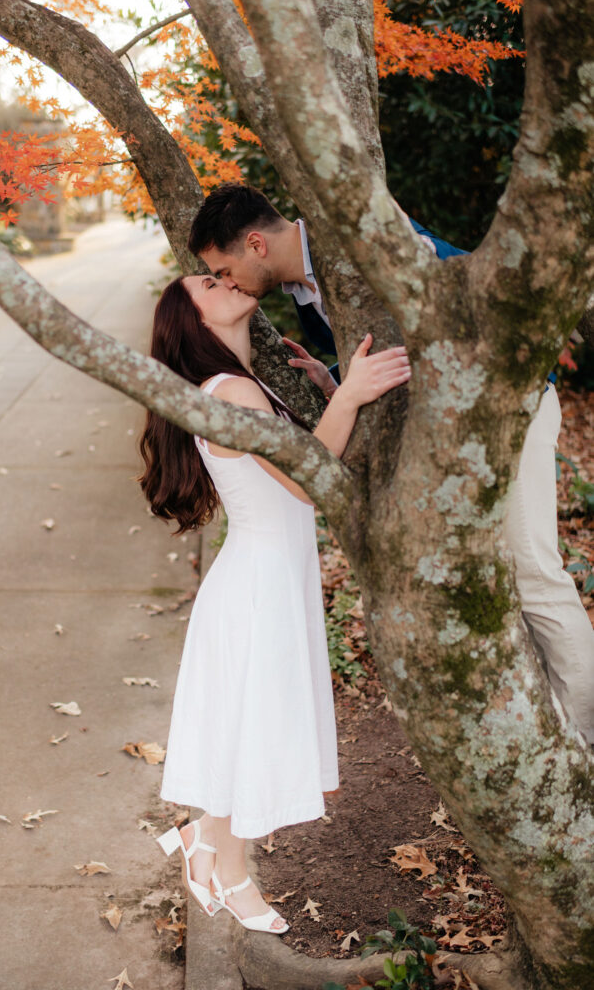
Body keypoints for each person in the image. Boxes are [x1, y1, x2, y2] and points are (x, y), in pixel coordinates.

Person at [187, 183, 594, 746]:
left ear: (256, 244)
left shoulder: (355, 230)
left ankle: (585, 738)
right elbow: (388, 346)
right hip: (446, 432)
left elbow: (451, 290)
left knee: (535, 574)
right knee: (493, 581)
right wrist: (334, 378)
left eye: (223, 270)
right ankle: (550, 726)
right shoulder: (303, 294)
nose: (228, 283)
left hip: (505, 403)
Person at [139, 275, 411, 933]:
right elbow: (305, 480)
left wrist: (330, 389)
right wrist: (351, 392)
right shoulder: (229, 392)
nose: (225, 280)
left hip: (264, 577)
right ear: (194, 320)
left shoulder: (238, 385)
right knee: (254, 727)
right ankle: (228, 871)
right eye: (208, 283)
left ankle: (204, 840)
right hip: (258, 586)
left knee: (247, 724)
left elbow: (302, 460)